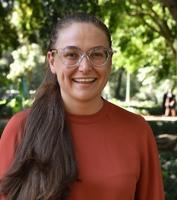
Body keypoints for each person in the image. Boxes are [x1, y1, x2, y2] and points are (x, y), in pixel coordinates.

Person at [0, 12, 165, 200]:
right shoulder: (21, 128)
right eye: (71, 54)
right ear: (52, 61)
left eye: (96, 54)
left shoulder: (137, 130)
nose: (85, 66)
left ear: (109, 62)